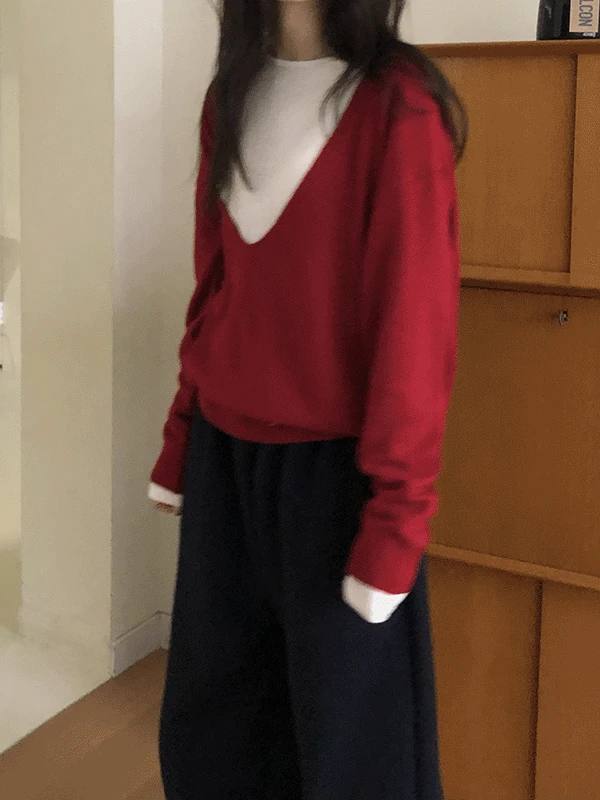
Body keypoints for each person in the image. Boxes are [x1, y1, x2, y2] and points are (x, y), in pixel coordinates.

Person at [149, 0, 466, 797]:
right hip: (226, 464)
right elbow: (215, 287)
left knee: (352, 758)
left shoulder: (400, 107)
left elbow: (414, 327)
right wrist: (182, 439)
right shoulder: (230, 95)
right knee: (214, 739)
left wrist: (397, 520)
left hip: (336, 484)